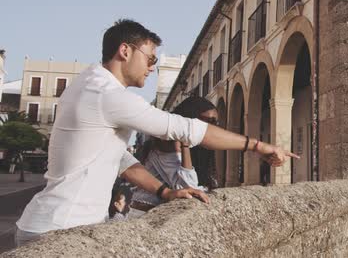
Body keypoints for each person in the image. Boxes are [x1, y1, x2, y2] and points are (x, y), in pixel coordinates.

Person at [15, 19, 298, 247]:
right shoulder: (108, 95)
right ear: (125, 51)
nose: (152, 68)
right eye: (150, 59)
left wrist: (165, 191)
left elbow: (121, 161)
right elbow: (184, 128)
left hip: (49, 224)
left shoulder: (85, 85)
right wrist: (259, 146)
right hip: (60, 230)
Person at [130, 96, 215, 215]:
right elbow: (186, 186)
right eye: (209, 121)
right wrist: (185, 142)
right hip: (144, 214)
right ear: (191, 118)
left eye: (215, 122)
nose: (213, 127)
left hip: (160, 213)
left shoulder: (194, 146)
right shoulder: (167, 142)